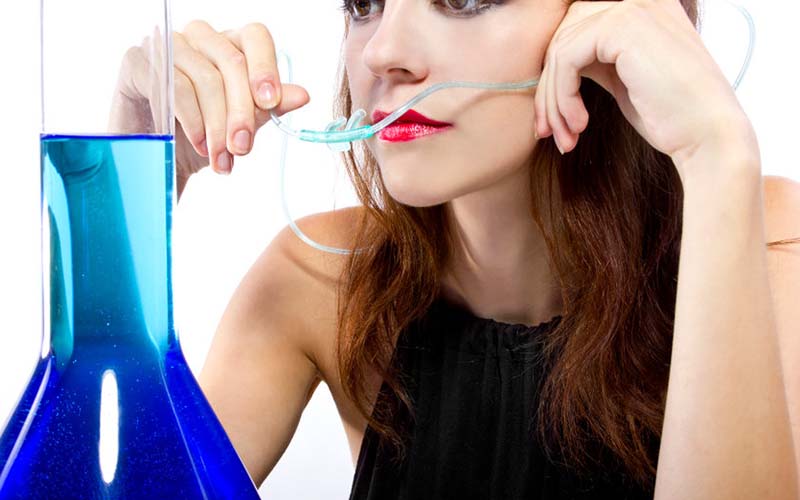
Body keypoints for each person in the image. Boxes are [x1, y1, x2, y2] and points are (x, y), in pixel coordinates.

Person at [112, 0, 800, 498]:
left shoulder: (772, 255)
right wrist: (127, 175)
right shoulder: (319, 283)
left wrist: (716, 158)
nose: (383, 51)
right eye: (365, 4)